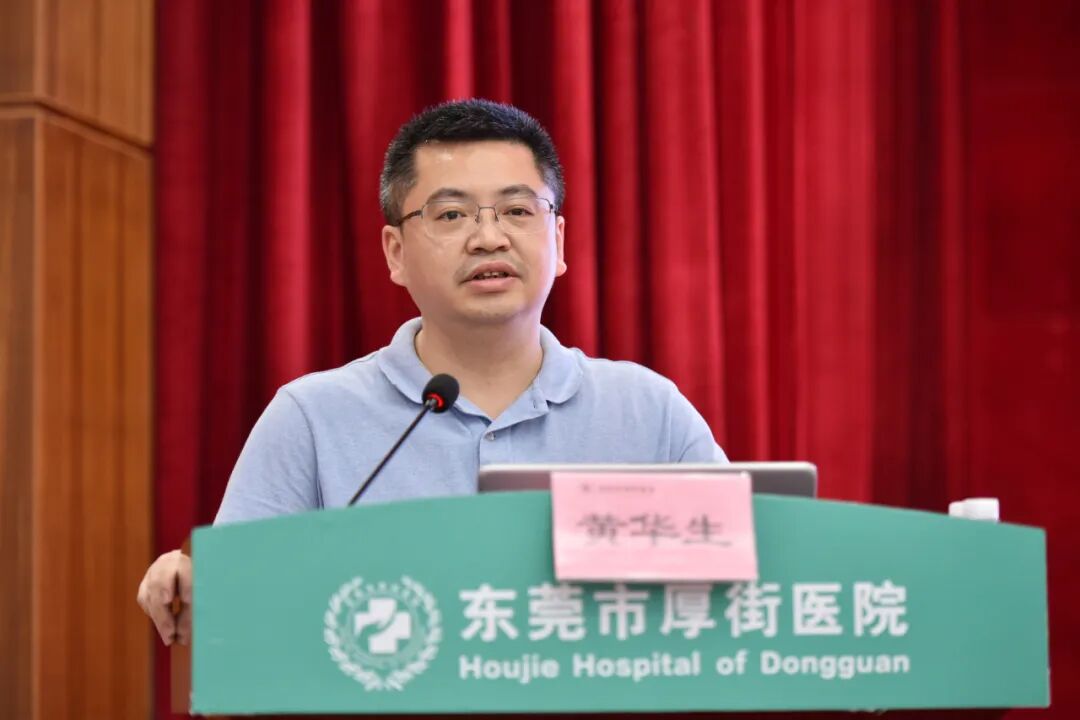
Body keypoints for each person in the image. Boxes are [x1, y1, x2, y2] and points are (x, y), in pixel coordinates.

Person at [136, 99, 728, 646]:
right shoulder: (311, 418)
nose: (489, 238)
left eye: (517, 210)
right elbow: (241, 605)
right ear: (395, 253)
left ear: (558, 238)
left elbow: (742, 590)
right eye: (451, 214)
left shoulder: (648, 412)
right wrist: (194, 584)